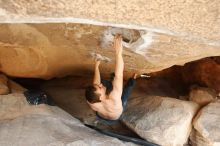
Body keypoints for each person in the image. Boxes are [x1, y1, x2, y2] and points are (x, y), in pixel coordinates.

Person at [85, 34, 137, 124]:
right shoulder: (114, 98)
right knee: (125, 93)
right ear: (101, 97)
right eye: (100, 87)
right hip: (114, 119)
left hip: (100, 116)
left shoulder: (91, 101)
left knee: (107, 84)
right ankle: (133, 79)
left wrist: (96, 67)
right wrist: (118, 53)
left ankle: (112, 81)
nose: (100, 84)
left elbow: (96, 83)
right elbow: (119, 75)